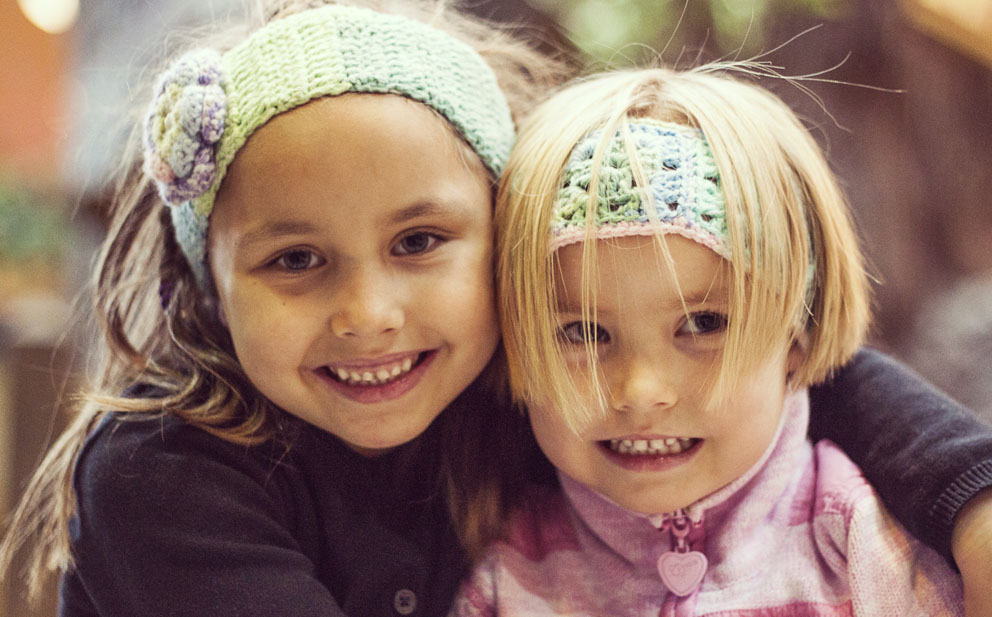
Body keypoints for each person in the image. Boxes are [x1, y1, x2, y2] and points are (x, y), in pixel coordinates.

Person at [0, 2, 990, 616]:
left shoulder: (527, 379)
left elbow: (809, 365)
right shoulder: (163, 472)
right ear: (211, 281)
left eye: (418, 242)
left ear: (504, 242)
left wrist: (974, 498)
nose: (369, 313)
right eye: (295, 259)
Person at [451, 65, 968, 616]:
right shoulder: (507, 572)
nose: (640, 390)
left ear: (797, 334)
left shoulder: (863, 544)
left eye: (702, 324)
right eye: (581, 332)